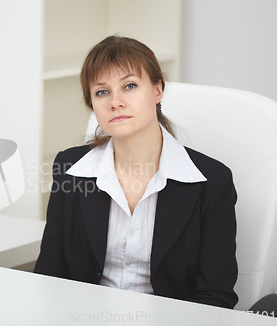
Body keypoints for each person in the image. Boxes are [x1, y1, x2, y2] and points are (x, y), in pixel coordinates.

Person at [33, 35, 238, 309]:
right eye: (102, 92)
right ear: (92, 104)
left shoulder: (213, 182)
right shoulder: (69, 169)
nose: (115, 102)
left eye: (129, 86)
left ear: (157, 90)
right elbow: (49, 277)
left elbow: (215, 296)